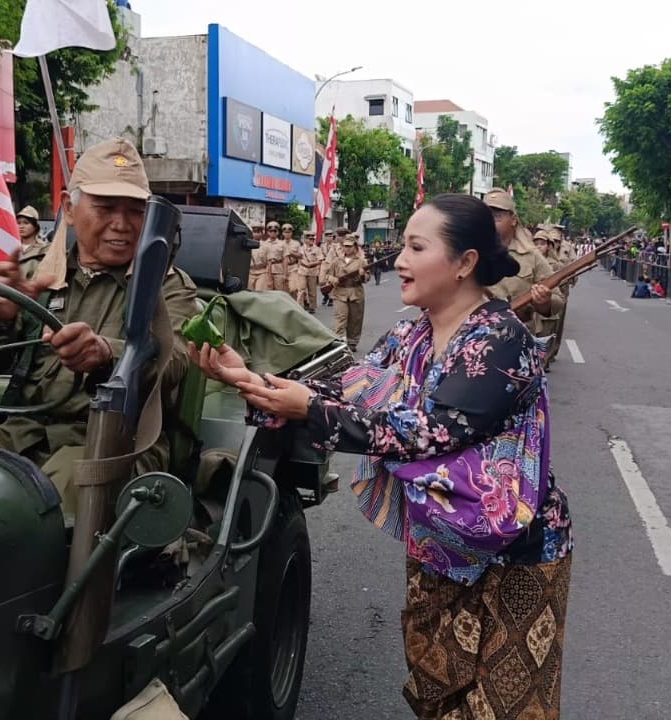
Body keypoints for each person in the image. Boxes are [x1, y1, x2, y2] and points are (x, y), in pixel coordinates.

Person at [189, 194, 572, 720]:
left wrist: (310, 411)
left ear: (465, 263)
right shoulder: (411, 333)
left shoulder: (500, 338)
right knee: (437, 682)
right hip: (440, 535)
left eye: (417, 247)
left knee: (507, 704)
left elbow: (432, 432)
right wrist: (251, 379)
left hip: (515, 549)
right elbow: (350, 389)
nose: (399, 260)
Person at [0, 137, 199, 493]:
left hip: (118, 442)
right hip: (23, 433)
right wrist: (0, 319)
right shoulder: (35, 275)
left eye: (135, 210)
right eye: (106, 207)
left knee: (58, 497)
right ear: (69, 208)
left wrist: (105, 354)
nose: (122, 224)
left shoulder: (165, 285)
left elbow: (172, 361)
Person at [482, 188, 562, 335]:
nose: (489, 221)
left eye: (497, 215)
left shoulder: (532, 256)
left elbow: (557, 300)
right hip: (474, 336)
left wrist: (543, 303)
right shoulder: (470, 253)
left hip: (518, 335)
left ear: (513, 219)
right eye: (485, 215)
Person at [322, 234, 367, 352]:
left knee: (355, 319)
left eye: (350, 246)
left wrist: (362, 275)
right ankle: (338, 342)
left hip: (355, 292)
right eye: (345, 246)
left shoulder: (361, 261)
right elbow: (327, 274)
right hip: (340, 292)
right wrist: (333, 280)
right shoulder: (336, 261)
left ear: (355, 247)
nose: (347, 248)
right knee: (340, 318)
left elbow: (367, 278)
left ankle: (352, 342)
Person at [14, 205, 50, 278]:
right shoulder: (12, 247)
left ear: (35, 227)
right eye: (18, 223)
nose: (21, 226)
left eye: (26, 223)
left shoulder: (43, 249)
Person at [298, 231, 323, 312]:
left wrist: (312, 264)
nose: (312, 240)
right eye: (310, 238)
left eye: (313, 238)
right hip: (302, 271)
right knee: (301, 290)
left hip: (312, 271)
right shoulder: (300, 249)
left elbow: (320, 260)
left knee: (312, 291)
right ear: (305, 239)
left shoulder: (317, 249)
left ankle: (312, 307)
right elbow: (298, 259)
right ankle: (299, 306)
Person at [281, 223, 303, 302]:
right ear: (282, 233)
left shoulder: (296, 243)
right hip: (282, 268)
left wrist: (291, 253)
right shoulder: (280, 243)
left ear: (291, 233)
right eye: (285, 232)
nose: (287, 234)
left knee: (293, 288)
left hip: (293, 267)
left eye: (289, 232)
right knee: (284, 290)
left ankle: (295, 304)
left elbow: (300, 255)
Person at [247, 223, 269, 291]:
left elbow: (269, 262)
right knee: (249, 292)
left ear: (262, 233)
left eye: (258, 232)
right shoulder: (247, 244)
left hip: (262, 272)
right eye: (254, 232)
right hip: (250, 272)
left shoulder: (266, 245)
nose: (256, 234)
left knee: (260, 292)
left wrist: (269, 276)